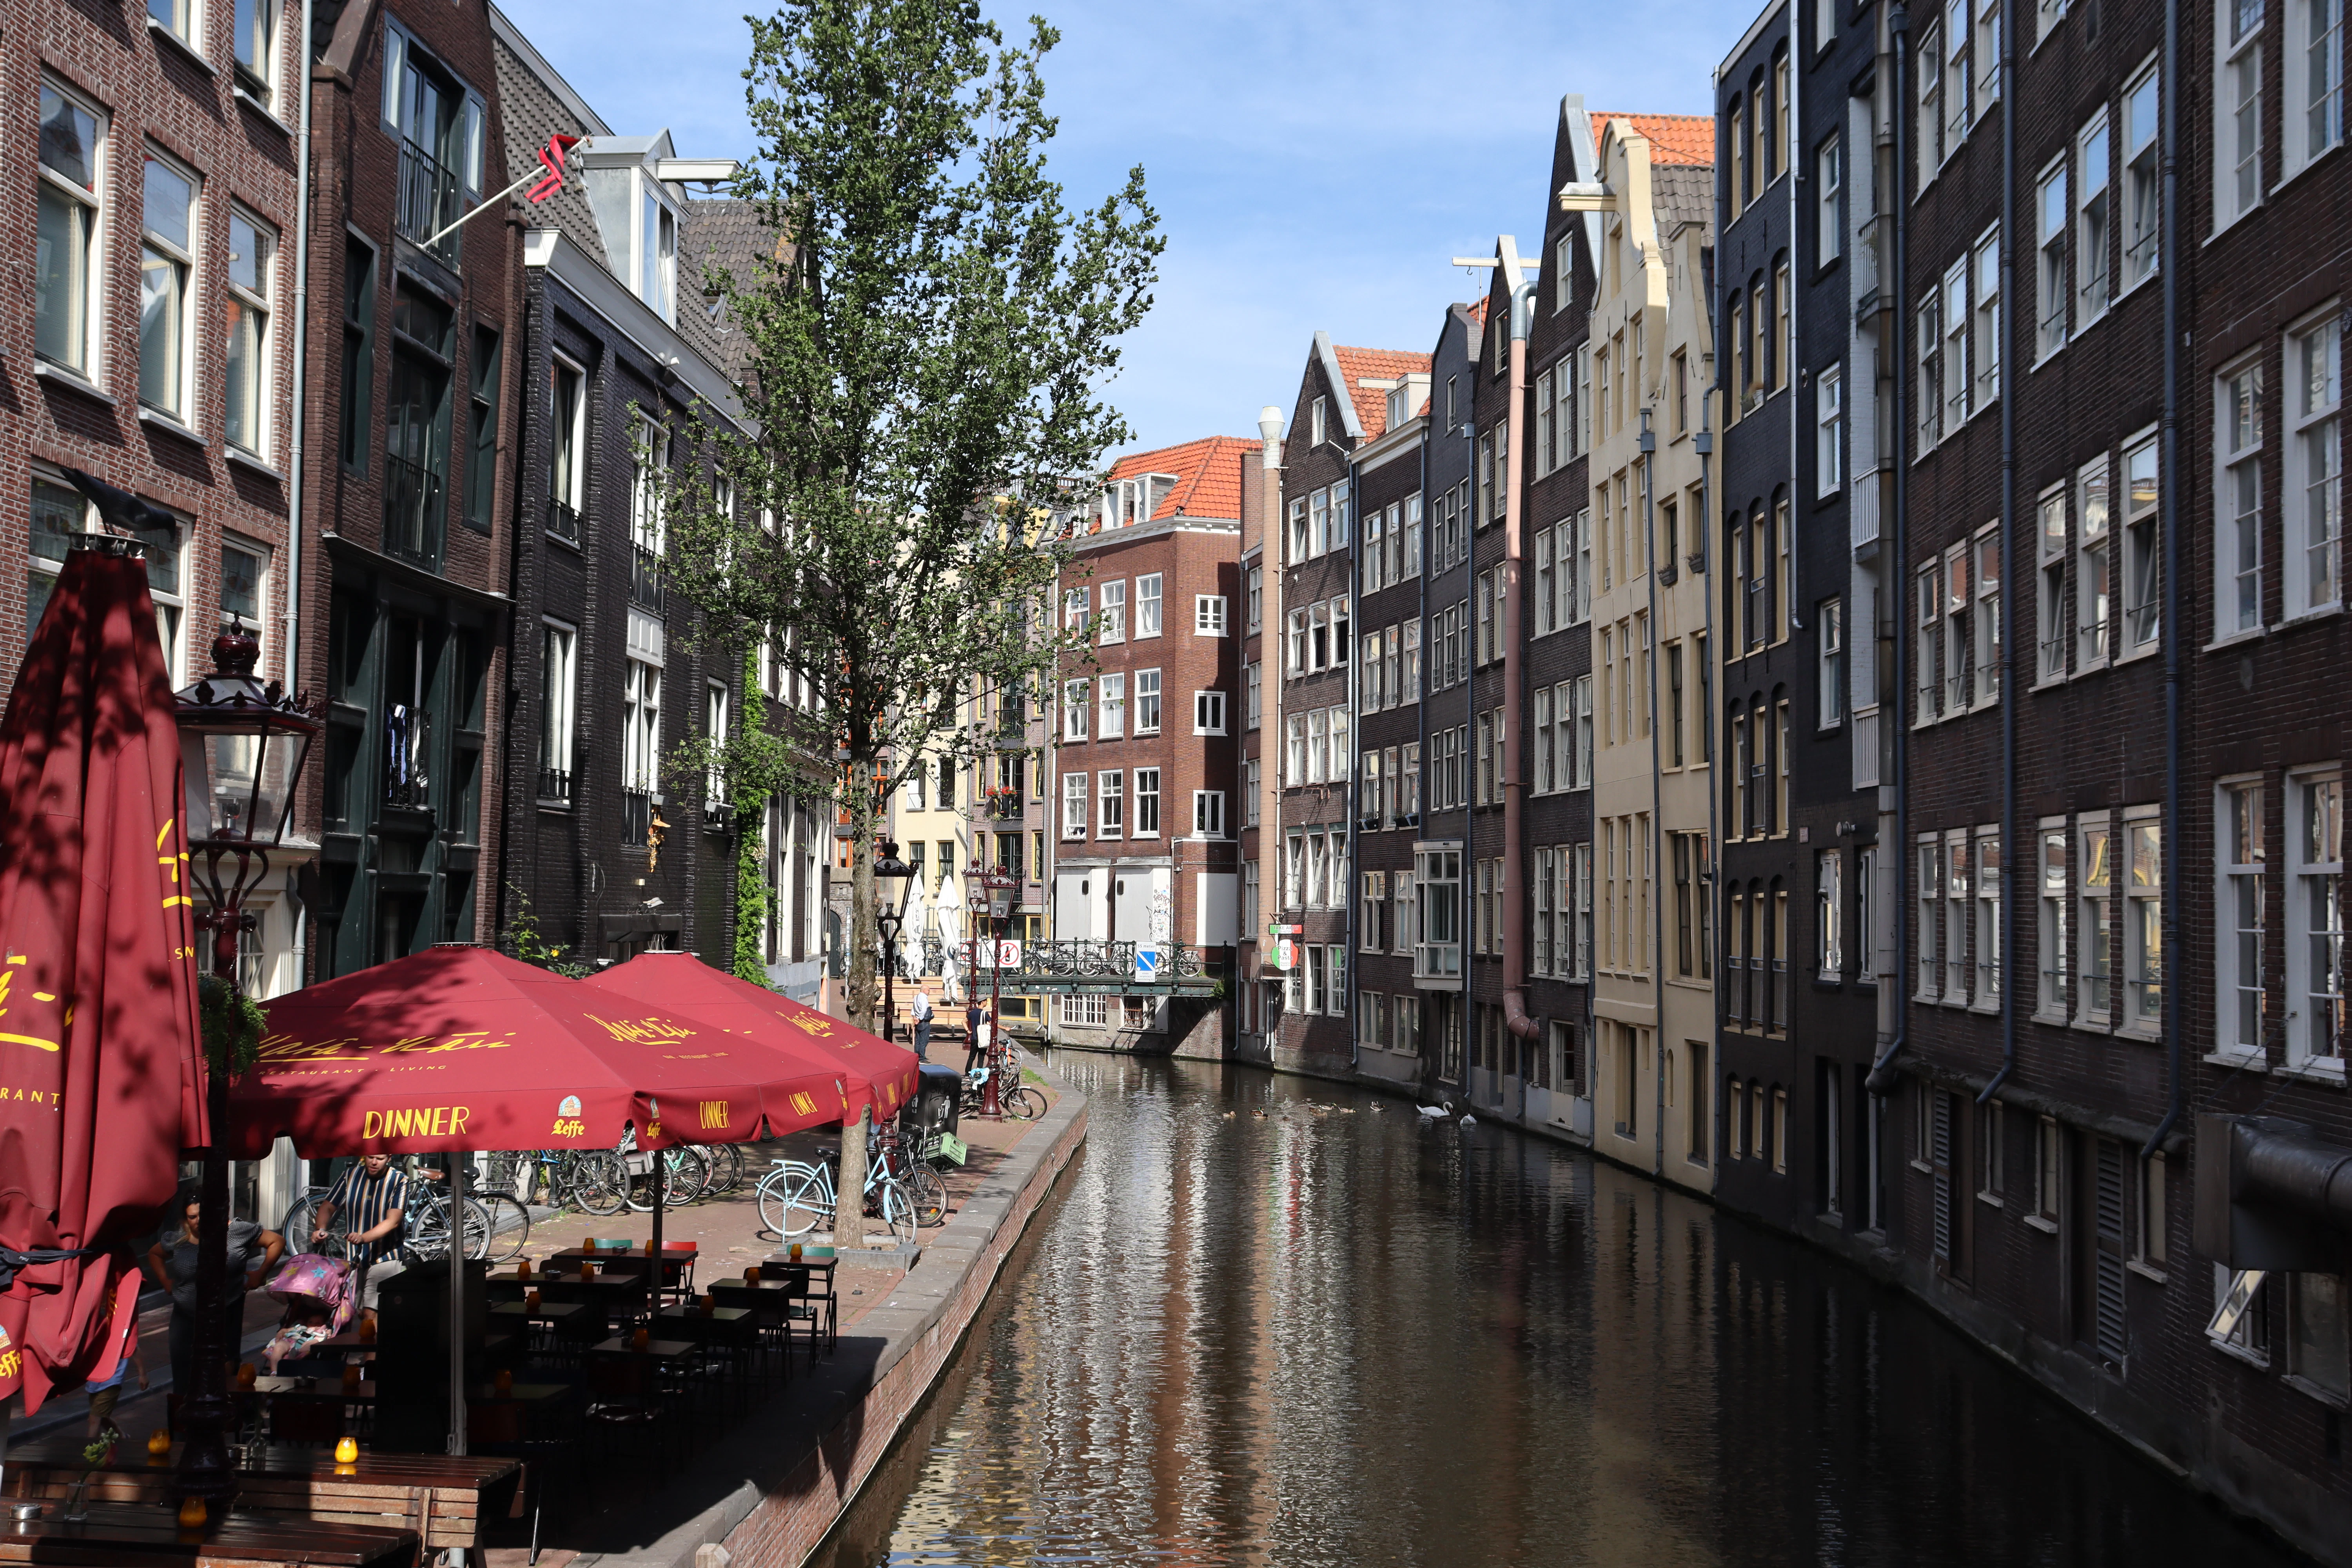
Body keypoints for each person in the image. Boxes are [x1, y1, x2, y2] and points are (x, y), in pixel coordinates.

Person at [145, 1187, 282, 1426]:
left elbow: (276, 1241)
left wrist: (260, 1274)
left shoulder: (236, 1231)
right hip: (186, 1317)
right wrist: (166, 1281)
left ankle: (223, 1428)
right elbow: (155, 1254)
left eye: (203, 1215)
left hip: (225, 1313)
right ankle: (182, 1431)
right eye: (192, 1217)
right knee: (184, 1377)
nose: (199, 1222)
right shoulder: (178, 1238)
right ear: (185, 1218)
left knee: (224, 1372)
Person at [312, 1152, 408, 1325]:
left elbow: (393, 1221)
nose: (374, 1162)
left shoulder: (399, 1180)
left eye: (380, 1159)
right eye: (371, 1157)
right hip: (354, 1258)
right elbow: (327, 1207)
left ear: (389, 1158)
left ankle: (373, 1351)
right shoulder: (350, 1175)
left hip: (385, 1256)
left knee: (371, 1315)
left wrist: (364, 1238)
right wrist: (321, 1229)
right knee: (358, 1314)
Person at [84, 1322, 147, 1442]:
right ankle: (122, 1436)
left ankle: (89, 1453)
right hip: (95, 1380)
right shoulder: (93, 1324)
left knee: (95, 1418)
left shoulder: (120, 1326)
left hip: (112, 1380)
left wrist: (143, 1375)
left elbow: (134, 1349)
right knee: (101, 1417)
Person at [909, 985, 935, 1061]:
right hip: (923, 1021)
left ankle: (917, 1055)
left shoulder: (917, 997)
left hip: (918, 1020)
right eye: (928, 990)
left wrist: (915, 1017)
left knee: (918, 1039)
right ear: (924, 990)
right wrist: (920, 1019)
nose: (929, 992)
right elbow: (923, 1010)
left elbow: (913, 1009)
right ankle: (922, 1058)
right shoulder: (924, 999)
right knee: (924, 1040)